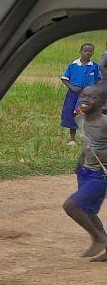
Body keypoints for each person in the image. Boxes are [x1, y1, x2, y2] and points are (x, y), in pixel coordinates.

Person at [64, 83, 107, 261]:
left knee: (71, 206)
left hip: (102, 175)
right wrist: (80, 163)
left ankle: (98, 237)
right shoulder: (79, 119)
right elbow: (87, 142)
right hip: (85, 171)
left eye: (92, 97)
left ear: (103, 103)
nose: (85, 99)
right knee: (88, 211)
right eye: (83, 96)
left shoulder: (105, 123)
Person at [61, 42, 101, 145]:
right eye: (85, 51)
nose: (88, 53)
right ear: (80, 51)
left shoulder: (95, 66)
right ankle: (72, 139)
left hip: (88, 97)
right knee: (72, 115)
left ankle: (88, 138)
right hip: (73, 96)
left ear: (93, 53)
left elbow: (98, 81)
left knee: (86, 115)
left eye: (90, 51)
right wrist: (72, 87)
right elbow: (64, 79)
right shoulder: (73, 65)